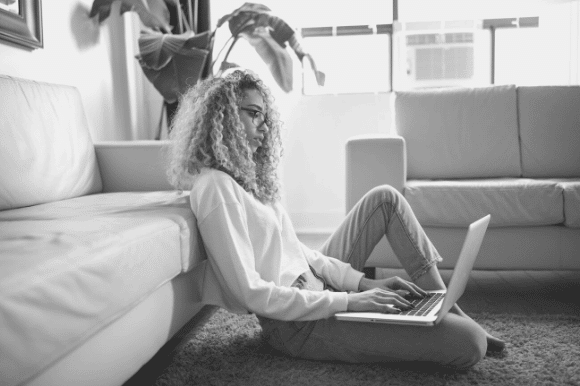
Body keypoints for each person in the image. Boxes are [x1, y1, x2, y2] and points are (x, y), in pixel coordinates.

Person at [166, 70, 505, 370]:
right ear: (222, 117)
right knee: (470, 343)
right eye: (254, 114)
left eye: (265, 116)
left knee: (384, 198)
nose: (264, 126)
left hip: (317, 287)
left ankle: (445, 305)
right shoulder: (216, 187)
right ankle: (451, 319)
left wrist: (362, 284)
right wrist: (349, 301)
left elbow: (295, 251)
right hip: (297, 324)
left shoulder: (245, 178)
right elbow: (250, 293)